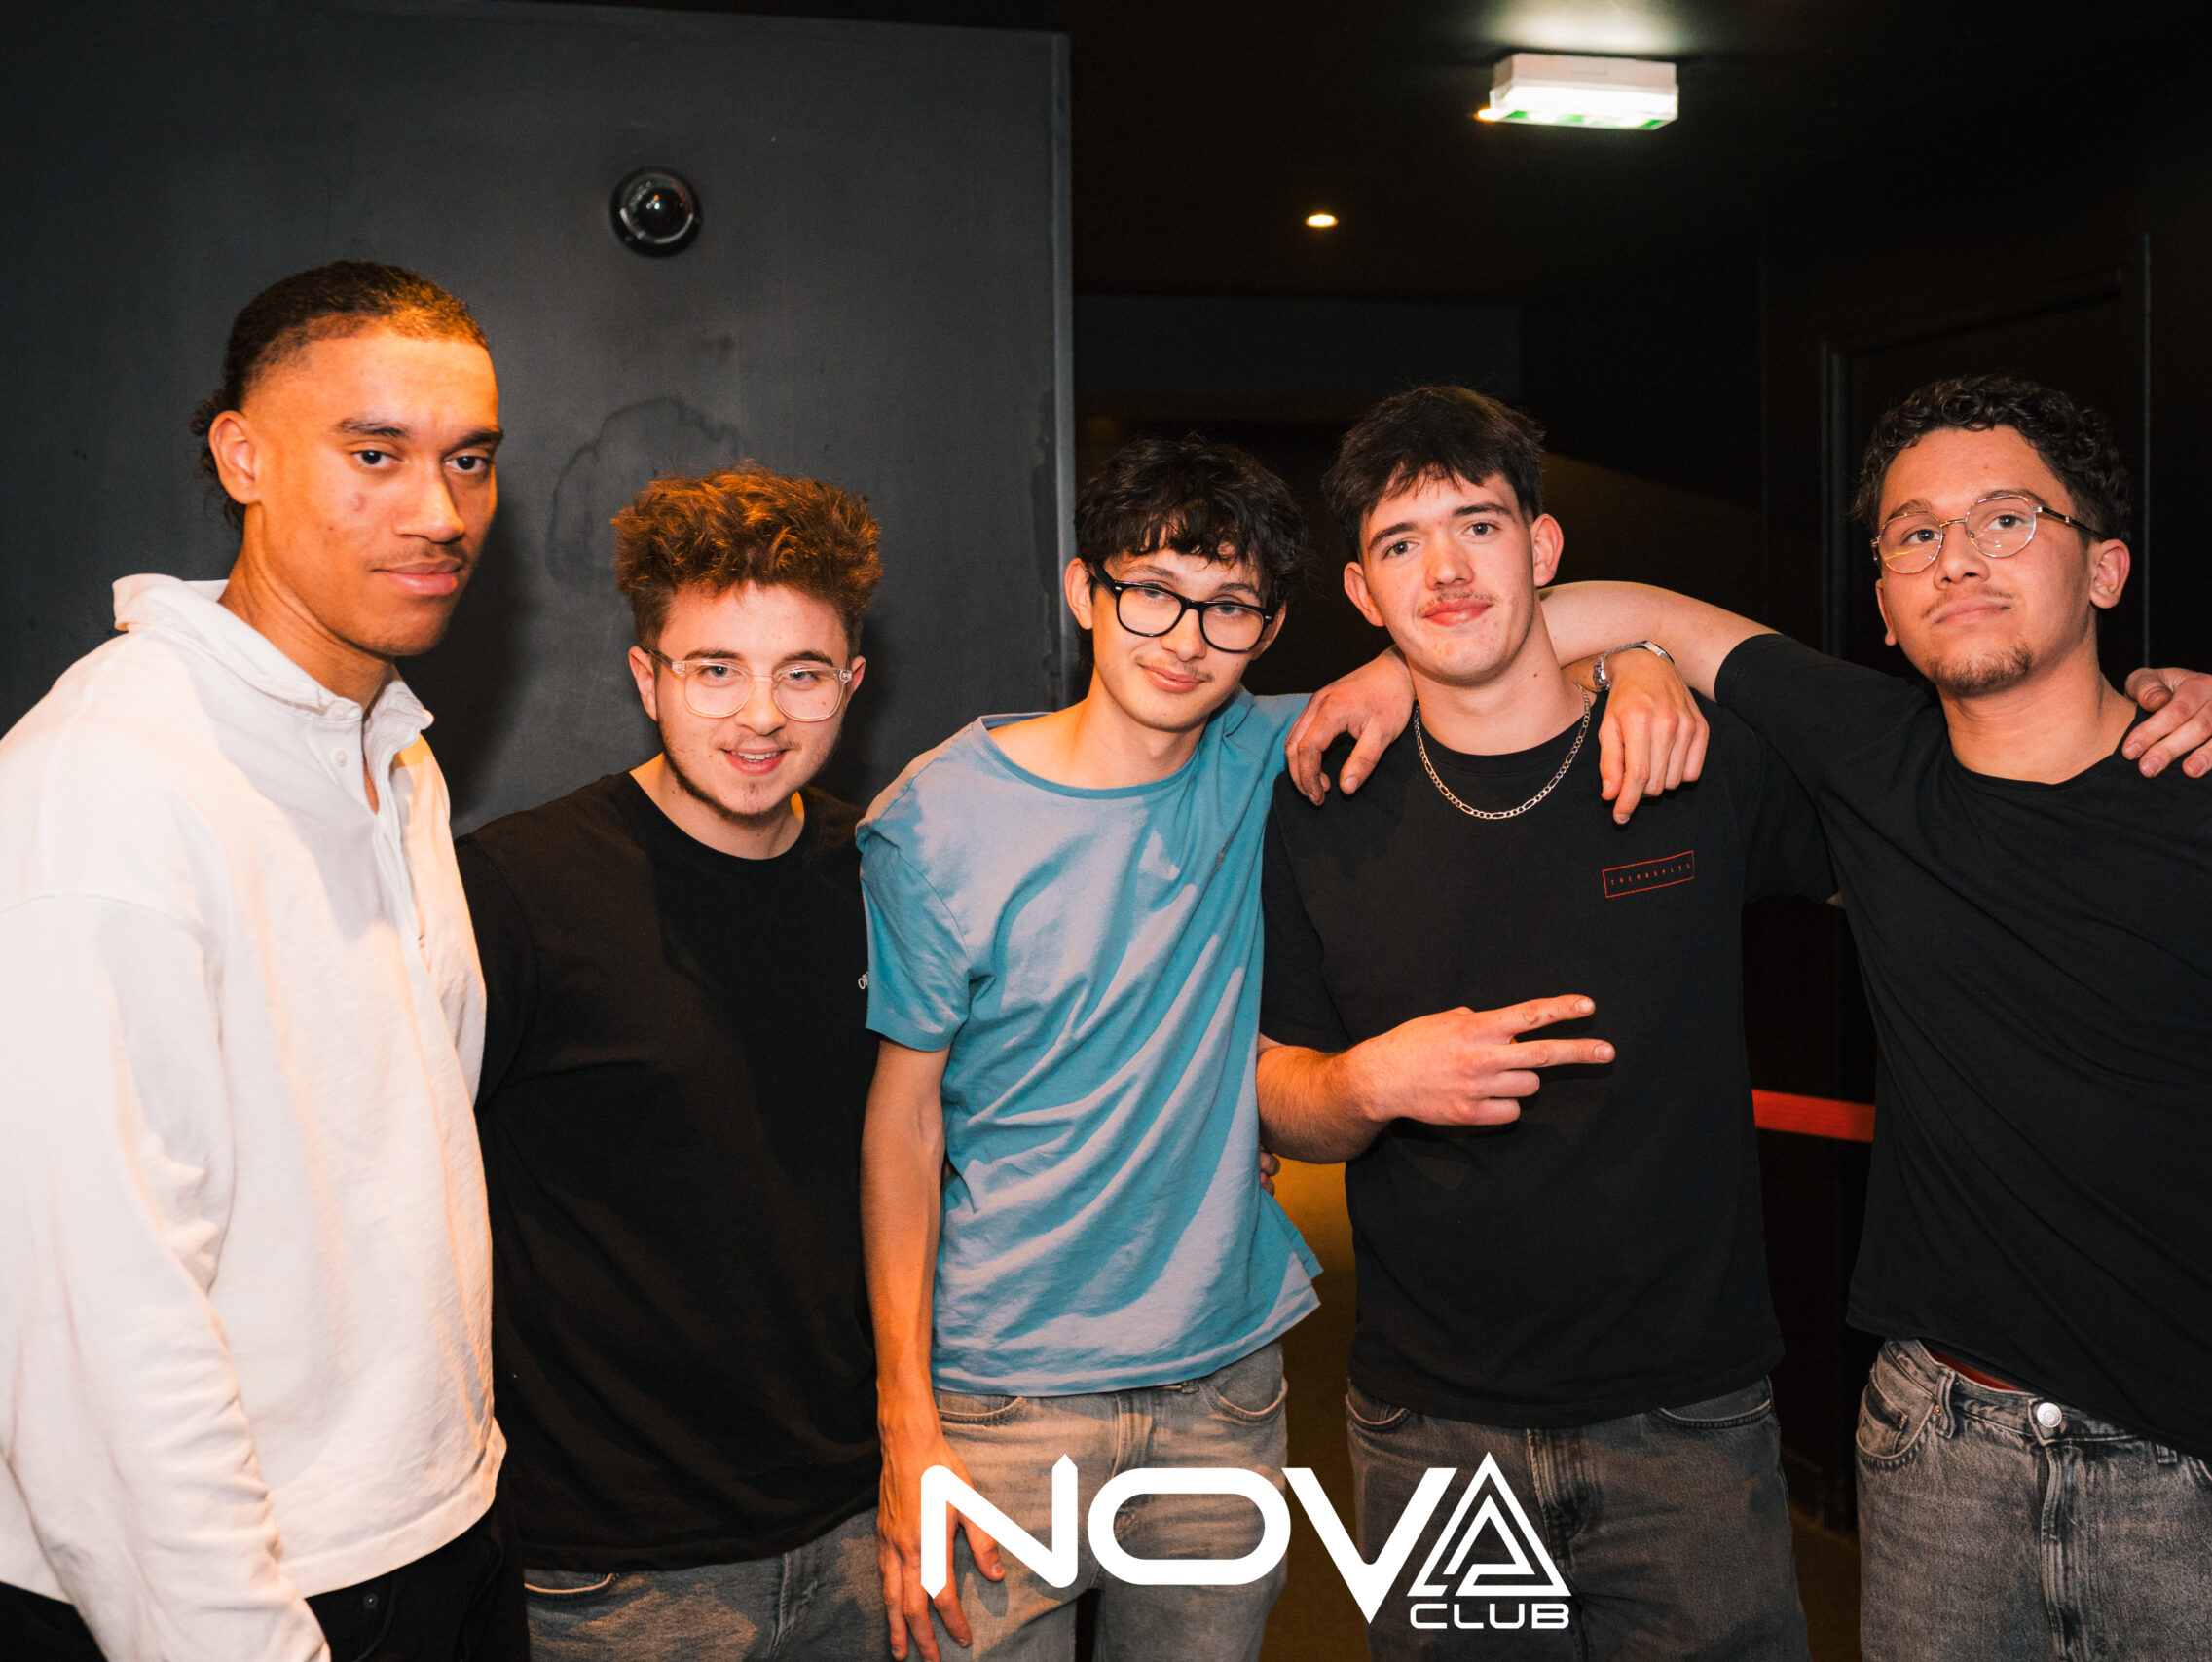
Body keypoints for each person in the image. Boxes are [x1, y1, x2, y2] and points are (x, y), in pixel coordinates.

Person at [1550, 374, 2212, 1662]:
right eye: (1916, 533)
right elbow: (1591, 612)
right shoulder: (1870, 761)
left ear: (2105, 568)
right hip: (1940, 1464)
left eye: (2007, 519)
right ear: (1882, 604)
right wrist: (1620, 664)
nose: (1957, 557)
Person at [859, 435, 1703, 1662]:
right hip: (1001, 1395)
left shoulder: (1276, 753)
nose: (1185, 638)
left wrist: (1636, 662)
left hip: (1223, 1384)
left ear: (1269, 627)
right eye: (1152, 592)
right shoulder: (937, 817)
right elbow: (901, 1124)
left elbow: (1491, 639)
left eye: (1229, 608)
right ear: (1083, 590)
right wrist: (905, 1423)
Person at [1254, 387, 1833, 1660]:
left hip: (1689, 1419)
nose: (1446, 571)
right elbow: (1278, 1093)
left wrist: (1643, 650)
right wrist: (1369, 1081)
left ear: (1545, 547)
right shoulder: (1322, 805)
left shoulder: (1692, 758)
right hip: (1435, 1431)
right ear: (1361, 592)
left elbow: (1882, 753)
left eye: (1479, 525)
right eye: (1401, 544)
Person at [0, 262, 521, 1660]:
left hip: (445, 1525)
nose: (440, 511)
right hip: (255, 1593)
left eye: (469, 460)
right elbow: (94, 1321)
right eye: (375, 454)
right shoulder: (106, 780)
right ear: (244, 456)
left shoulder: (391, 751)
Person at [456, 464, 890, 1658]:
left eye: (802, 673)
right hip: (615, 1571)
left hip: (859, 1528)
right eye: (715, 670)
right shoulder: (518, 890)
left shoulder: (885, 876)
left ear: (851, 684)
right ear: (647, 678)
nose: (761, 716)